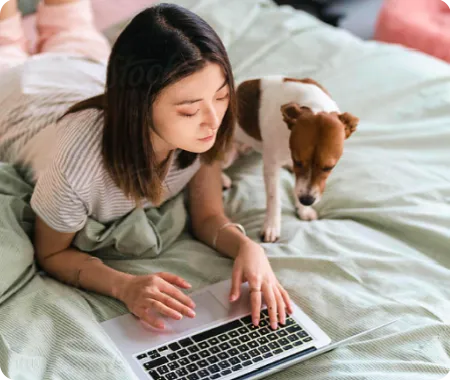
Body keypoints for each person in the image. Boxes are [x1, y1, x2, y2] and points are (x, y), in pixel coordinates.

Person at [0, 0, 293, 330]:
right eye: (188, 110)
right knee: (6, 39)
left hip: (85, 70)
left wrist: (248, 248)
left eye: (222, 96)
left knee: (68, 20)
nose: (213, 120)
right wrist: (123, 285)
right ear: (140, 106)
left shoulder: (202, 124)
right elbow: (52, 254)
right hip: (17, 94)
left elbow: (208, 215)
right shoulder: (78, 167)